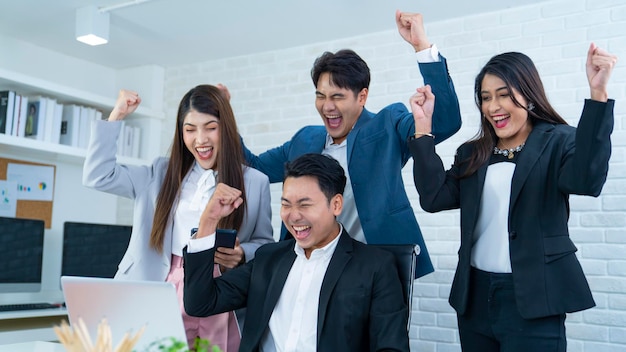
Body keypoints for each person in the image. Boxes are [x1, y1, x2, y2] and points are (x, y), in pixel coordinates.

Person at [408, 43, 617, 351]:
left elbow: (587, 180)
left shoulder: (559, 141)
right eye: (486, 97)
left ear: (528, 94)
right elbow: (434, 197)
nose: (493, 106)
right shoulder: (473, 153)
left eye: (504, 94)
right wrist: (423, 129)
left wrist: (598, 95)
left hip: (535, 298)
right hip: (475, 297)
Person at [237, 11, 462, 279]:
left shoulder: (387, 124)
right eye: (320, 96)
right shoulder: (304, 139)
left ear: (362, 96)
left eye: (337, 96)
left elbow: (444, 122)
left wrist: (421, 47)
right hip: (312, 270)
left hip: (377, 268)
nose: (327, 106)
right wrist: (223, 122)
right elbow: (255, 166)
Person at [82, 85, 274, 351]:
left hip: (219, 291)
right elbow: (98, 175)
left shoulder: (255, 182)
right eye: (190, 129)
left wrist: (242, 254)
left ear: (226, 128)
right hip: (163, 285)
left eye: (210, 127)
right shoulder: (159, 173)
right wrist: (117, 115)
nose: (200, 139)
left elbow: (265, 243)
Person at [183, 153, 410, 351]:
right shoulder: (268, 259)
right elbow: (200, 303)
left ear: (336, 205)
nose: (293, 216)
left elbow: (391, 347)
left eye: (304, 204)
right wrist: (208, 221)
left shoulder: (375, 266)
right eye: (286, 204)